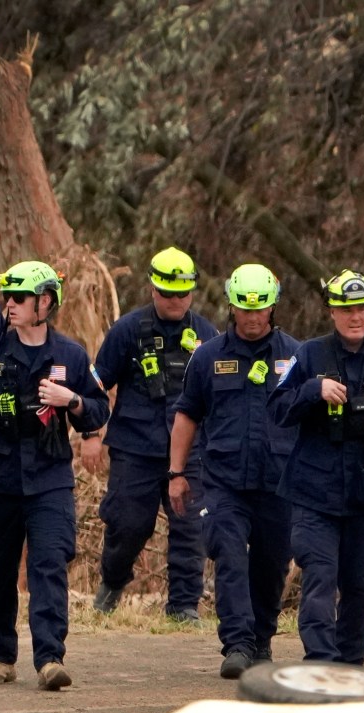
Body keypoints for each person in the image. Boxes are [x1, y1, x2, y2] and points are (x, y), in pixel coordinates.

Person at [0, 261, 109, 691]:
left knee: (49, 564)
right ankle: (1, 656)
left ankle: (50, 657)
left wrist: (71, 399)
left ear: (45, 302)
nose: (10, 305)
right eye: (7, 297)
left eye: (19, 297)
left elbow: (98, 409)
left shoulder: (71, 355)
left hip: (50, 478)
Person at [268, 269, 364, 666]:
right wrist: (312, 390)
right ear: (332, 313)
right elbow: (277, 409)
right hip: (314, 492)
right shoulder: (308, 355)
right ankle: (320, 662)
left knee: (359, 585)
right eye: (347, 309)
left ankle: (350, 665)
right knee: (320, 576)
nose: (356, 317)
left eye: (363, 308)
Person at [170, 263, 300, 679]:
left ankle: (262, 638)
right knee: (228, 555)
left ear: (273, 306)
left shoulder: (296, 356)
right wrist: (176, 474)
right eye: (244, 308)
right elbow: (187, 416)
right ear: (232, 306)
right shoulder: (208, 356)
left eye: (260, 308)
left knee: (271, 562)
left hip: (279, 481)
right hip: (224, 481)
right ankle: (238, 642)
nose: (253, 317)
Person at [90, 246, 218, 619]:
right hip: (135, 448)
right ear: (153, 290)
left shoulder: (206, 334)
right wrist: (90, 435)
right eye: (168, 293)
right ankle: (111, 585)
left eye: (183, 293)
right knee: (128, 525)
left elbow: (218, 395)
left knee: (190, 529)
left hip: (190, 452)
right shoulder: (127, 331)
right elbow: (96, 386)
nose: (176, 300)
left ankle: (182, 607)